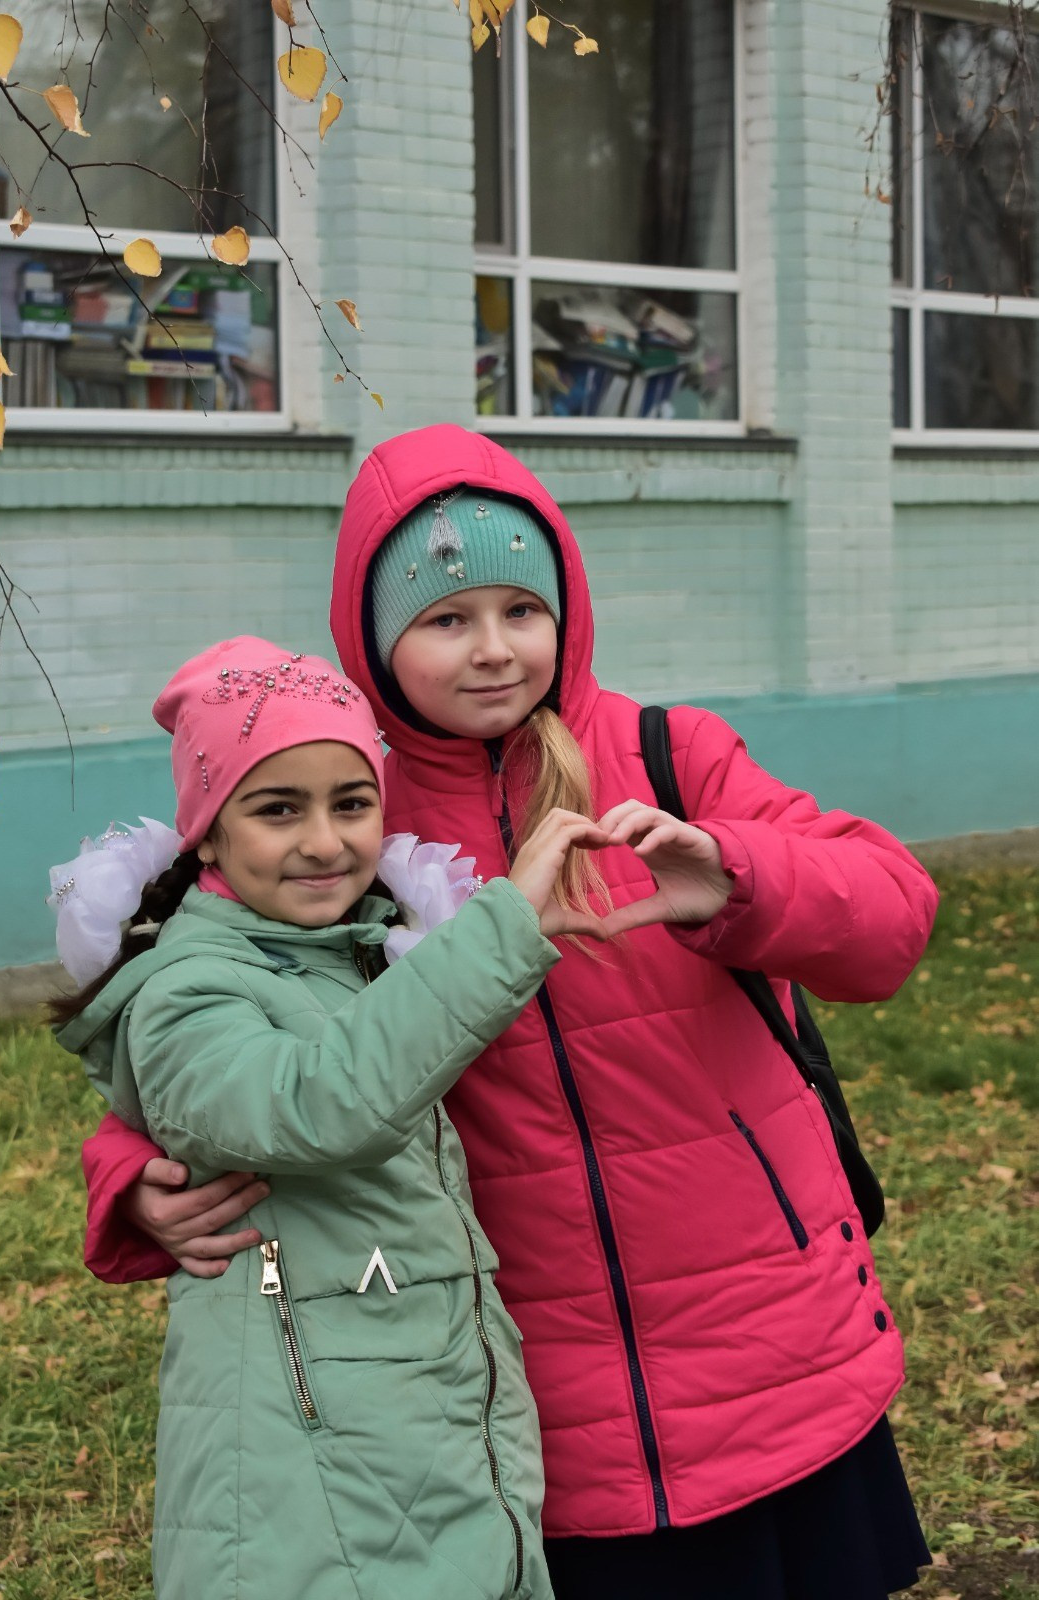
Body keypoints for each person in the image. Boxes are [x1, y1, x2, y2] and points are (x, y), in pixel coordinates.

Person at [81, 428, 939, 1599]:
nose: (492, 650)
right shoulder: (339, 809)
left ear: (566, 611)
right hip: (536, 1404)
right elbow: (224, 1021)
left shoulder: (667, 753)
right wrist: (130, 1171)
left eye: (519, 609)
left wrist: (739, 878)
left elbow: (891, 921)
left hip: (771, 1356)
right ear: (376, 637)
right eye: (445, 620)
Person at [50, 633, 611, 1600]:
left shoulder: (351, 957)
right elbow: (318, 1103)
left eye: (352, 804)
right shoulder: (191, 986)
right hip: (307, 1489)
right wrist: (502, 929)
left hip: (415, 1451)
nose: (325, 840)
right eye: (277, 809)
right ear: (209, 834)